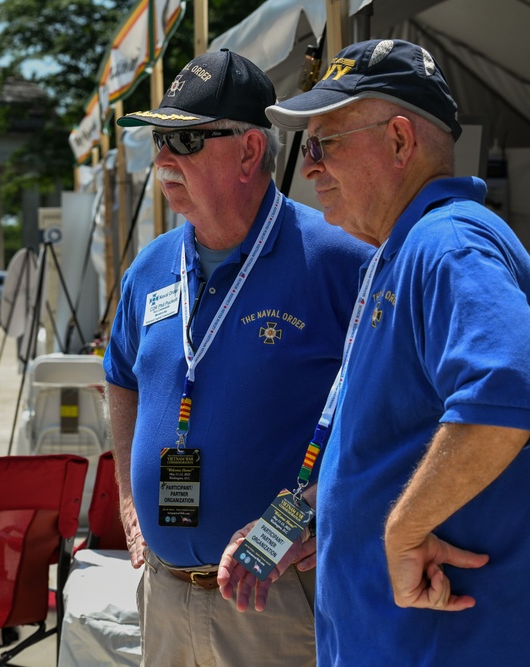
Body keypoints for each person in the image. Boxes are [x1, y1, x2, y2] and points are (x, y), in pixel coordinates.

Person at [260, 38, 530, 664]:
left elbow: (508, 389)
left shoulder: (447, 241)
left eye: (325, 144)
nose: (310, 168)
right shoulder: (407, 248)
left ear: (401, 141)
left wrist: (402, 530)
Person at [103, 49, 371, 667]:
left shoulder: (339, 260)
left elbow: (393, 407)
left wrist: (317, 513)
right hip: (165, 591)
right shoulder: (150, 267)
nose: (164, 158)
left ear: (251, 151)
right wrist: (125, 496)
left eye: (188, 139)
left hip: (277, 599)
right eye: (160, 137)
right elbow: (119, 376)